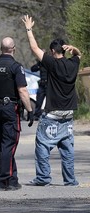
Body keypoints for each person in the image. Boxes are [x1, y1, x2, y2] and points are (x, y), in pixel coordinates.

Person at [22, 15, 81, 186]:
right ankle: (70, 180)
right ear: (64, 50)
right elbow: (79, 55)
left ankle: (43, 178)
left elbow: (34, 48)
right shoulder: (73, 64)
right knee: (67, 151)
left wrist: (29, 28)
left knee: (42, 146)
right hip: (68, 116)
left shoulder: (52, 64)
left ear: (53, 52)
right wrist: (74, 48)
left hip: (53, 115)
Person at [0, 37, 34, 191]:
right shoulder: (15, 66)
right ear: (13, 48)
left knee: (4, 145)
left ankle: (12, 180)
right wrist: (30, 110)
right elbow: (22, 90)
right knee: (10, 144)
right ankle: (2, 180)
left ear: (1, 48)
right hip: (10, 109)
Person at [30, 53, 48, 120]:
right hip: (42, 85)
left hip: (49, 84)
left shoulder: (50, 63)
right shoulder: (40, 64)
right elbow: (32, 69)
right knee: (39, 101)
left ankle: (48, 114)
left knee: (49, 101)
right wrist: (39, 66)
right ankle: (37, 115)